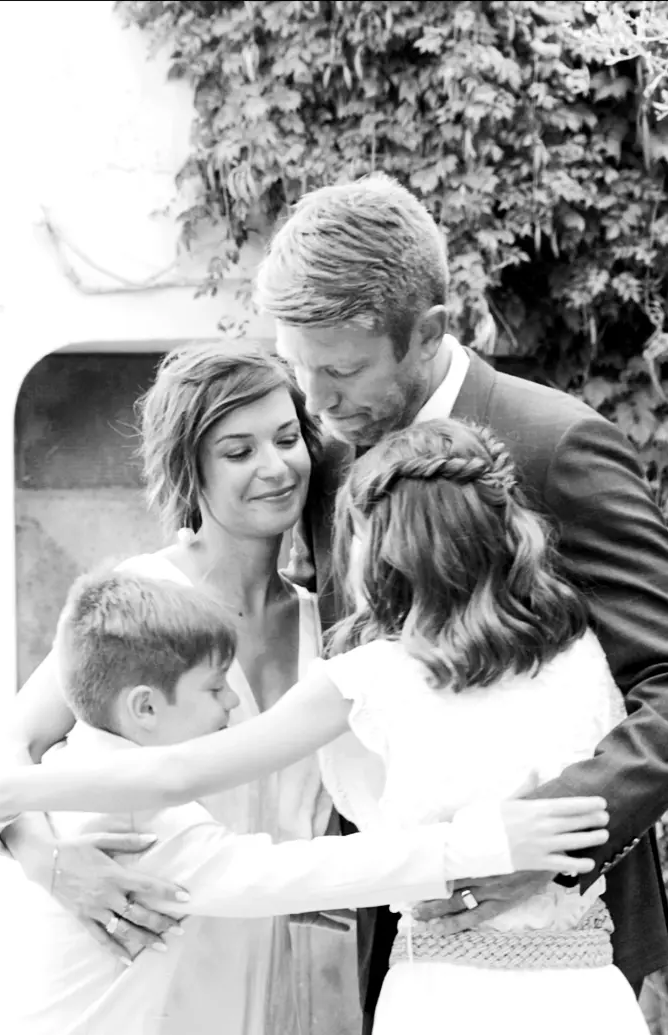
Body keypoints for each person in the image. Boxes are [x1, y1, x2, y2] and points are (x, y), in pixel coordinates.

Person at [0, 419, 645, 1035]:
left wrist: (11, 797)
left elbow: (188, 778)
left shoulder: (369, 675)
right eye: (218, 687)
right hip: (589, 989)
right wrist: (484, 844)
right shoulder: (580, 651)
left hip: (447, 991)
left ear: (375, 552)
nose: (234, 703)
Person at [251, 173, 668, 1028]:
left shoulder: (558, 446)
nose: (320, 403)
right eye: (300, 368)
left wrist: (538, 843)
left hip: (563, 948)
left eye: (341, 369)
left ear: (431, 331)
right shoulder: (329, 461)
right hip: (399, 947)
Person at [0, 343, 338, 1035]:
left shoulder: (329, 623)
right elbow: (0, 747)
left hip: (293, 966)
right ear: (191, 467)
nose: (274, 466)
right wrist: (50, 862)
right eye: (238, 450)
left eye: (287, 438)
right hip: (143, 948)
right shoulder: (142, 598)